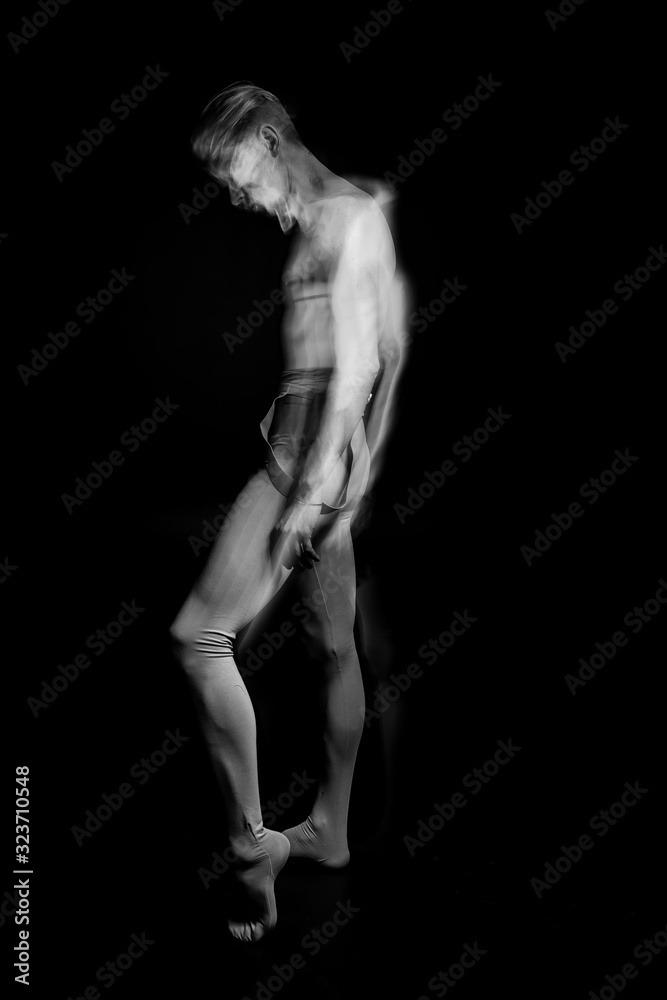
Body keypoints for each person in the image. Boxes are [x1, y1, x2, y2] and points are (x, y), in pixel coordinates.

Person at [170, 82, 405, 942]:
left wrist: (314, 490)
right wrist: (358, 469)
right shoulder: (333, 218)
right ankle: (330, 832)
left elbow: (355, 370)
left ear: (269, 139)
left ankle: (250, 851)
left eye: (237, 176)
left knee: (197, 638)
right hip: (321, 454)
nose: (236, 196)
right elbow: (382, 347)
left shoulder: (343, 220)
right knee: (333, 647)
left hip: (305, 459)